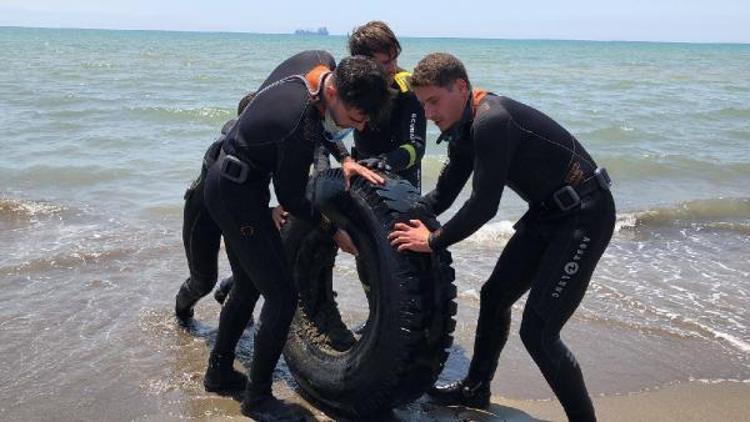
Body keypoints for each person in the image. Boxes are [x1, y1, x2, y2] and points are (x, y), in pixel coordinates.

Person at [388, 53, 615, 422]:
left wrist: (432, 241)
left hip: (585, 215)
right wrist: (391, 220)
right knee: (495, 296)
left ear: (460, 88)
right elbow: (441, 198)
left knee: (539, 332)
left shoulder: (493, 121)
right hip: (547, 214)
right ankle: (476, 389)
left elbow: (483, 207)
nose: (428, 114)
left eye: (433, 101)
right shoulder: (465, 129)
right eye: (422, 104)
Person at [203, 50, 389, 420]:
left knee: (247, 284)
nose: (361, 127)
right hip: (236, 195)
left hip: (234, 181)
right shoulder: (299, 121)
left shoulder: (315, 69)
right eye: (355, 118)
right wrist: (332, 229)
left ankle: (219, 371)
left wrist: (343, 156)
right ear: (334, 93)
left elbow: (323, 127)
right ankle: (257, 399)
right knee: (283, 296)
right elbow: (291, 197)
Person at [175, 92, 261, 324]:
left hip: (238, 213)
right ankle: (182, 317)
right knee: (202, 281)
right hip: (203, 213)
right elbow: (228, 189)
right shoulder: (225, 146)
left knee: (257, 269)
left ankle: (226, 292)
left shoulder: (265, 143)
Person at [348, 20, 426, 191]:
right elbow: (324, 133)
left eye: (395, 59)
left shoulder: (408, 90)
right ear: (363, 63)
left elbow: (417, 146)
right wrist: (344, 159)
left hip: (403, 176)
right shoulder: (349, 85)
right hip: (364, 170)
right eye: (385, 63)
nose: (393, 68)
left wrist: (385, 162)